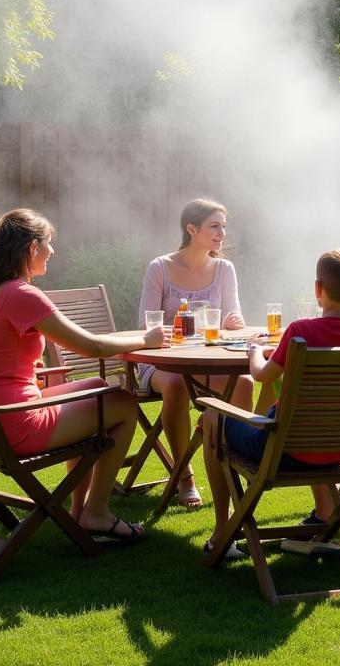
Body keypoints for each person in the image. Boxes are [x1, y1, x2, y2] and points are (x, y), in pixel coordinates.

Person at [0, 208, 166, 545]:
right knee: (122, 404)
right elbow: (92, 346)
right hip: (9, 424)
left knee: (96, 389)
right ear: (31, 248)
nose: (53, 251)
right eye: (49, 243)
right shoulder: (21, 295)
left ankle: (79, 510)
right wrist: (146, 339)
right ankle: (97, 511)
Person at [200, 249, 340, 559]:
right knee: (302, 414)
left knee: (211, 419)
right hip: (338, 450)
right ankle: (326, 517)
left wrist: (255, 350)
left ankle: (223, 533)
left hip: (283, 452)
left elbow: (260, 375)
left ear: (317, 289)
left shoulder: (300, 332)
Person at [137, 197, 253, 509]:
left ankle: (235, 467)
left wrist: (233, 323)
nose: (222, 233)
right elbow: (144, 325)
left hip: (203, 359)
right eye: (215, 226)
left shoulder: (224, 269)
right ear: (192, 228)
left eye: (224, 226)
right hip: (160, 362)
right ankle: (183, 475)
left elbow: (234, 321)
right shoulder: (160, 268)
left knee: (243, 383)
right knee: (175, 384)